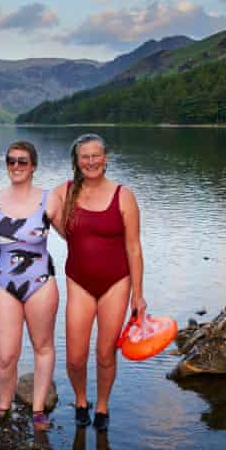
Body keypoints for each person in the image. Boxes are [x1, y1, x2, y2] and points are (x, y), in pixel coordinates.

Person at [52, 133, 146, 432]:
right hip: (78, 282)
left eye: (96, 156)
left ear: (106, 158)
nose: (91, 161)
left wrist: (138, 296)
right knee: (75, 357)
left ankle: (102, 406)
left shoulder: (123, 195)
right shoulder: (64, 192)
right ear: (77, 162)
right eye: (84, 157)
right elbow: (35, 208)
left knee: (105, 353)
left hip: (116, 283)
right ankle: (81, 401)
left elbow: (133, 248)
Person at [0, 141, 59, 431]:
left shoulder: (49, 200)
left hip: (40, 282)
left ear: (33, 165)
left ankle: (38, 409)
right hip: (4, 283)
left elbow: (75, 234)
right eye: (11, 161)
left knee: (43, 346)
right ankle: (3, 405)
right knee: (6, 354)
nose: (16, 166)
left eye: (22, 161)